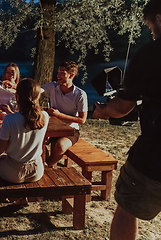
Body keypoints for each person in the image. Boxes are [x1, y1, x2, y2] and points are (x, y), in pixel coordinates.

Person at [93, 1, 161, 239]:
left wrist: (104, 111)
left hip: (155, 155)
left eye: (150, 26)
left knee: (127, 210)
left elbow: (122, 107)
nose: (150, 32)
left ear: (159, 19)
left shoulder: (152, 53)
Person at [0, 78, 49, 189]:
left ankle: (5, 195)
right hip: (36, 170)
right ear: (37, 97)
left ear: (17, 97)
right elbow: (26, 120)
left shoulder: (9, 119)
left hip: (12, 173)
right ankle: (22, 198)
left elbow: (0, 149)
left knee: (0, 156)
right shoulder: (44, 117)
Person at [42, 61, 88, 167]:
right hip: (52, 128)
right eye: (58, 72)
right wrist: (16, 86)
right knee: (37, 142)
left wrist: (59, 115)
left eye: (62, 73)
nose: (58, 75)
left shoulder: (80, 94)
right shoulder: (53, 86)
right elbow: (36, 90)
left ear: (71, 75)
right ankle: (43, 164)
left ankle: (47, 166)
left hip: (70, 130)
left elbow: (82, 120)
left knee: (60, 146)